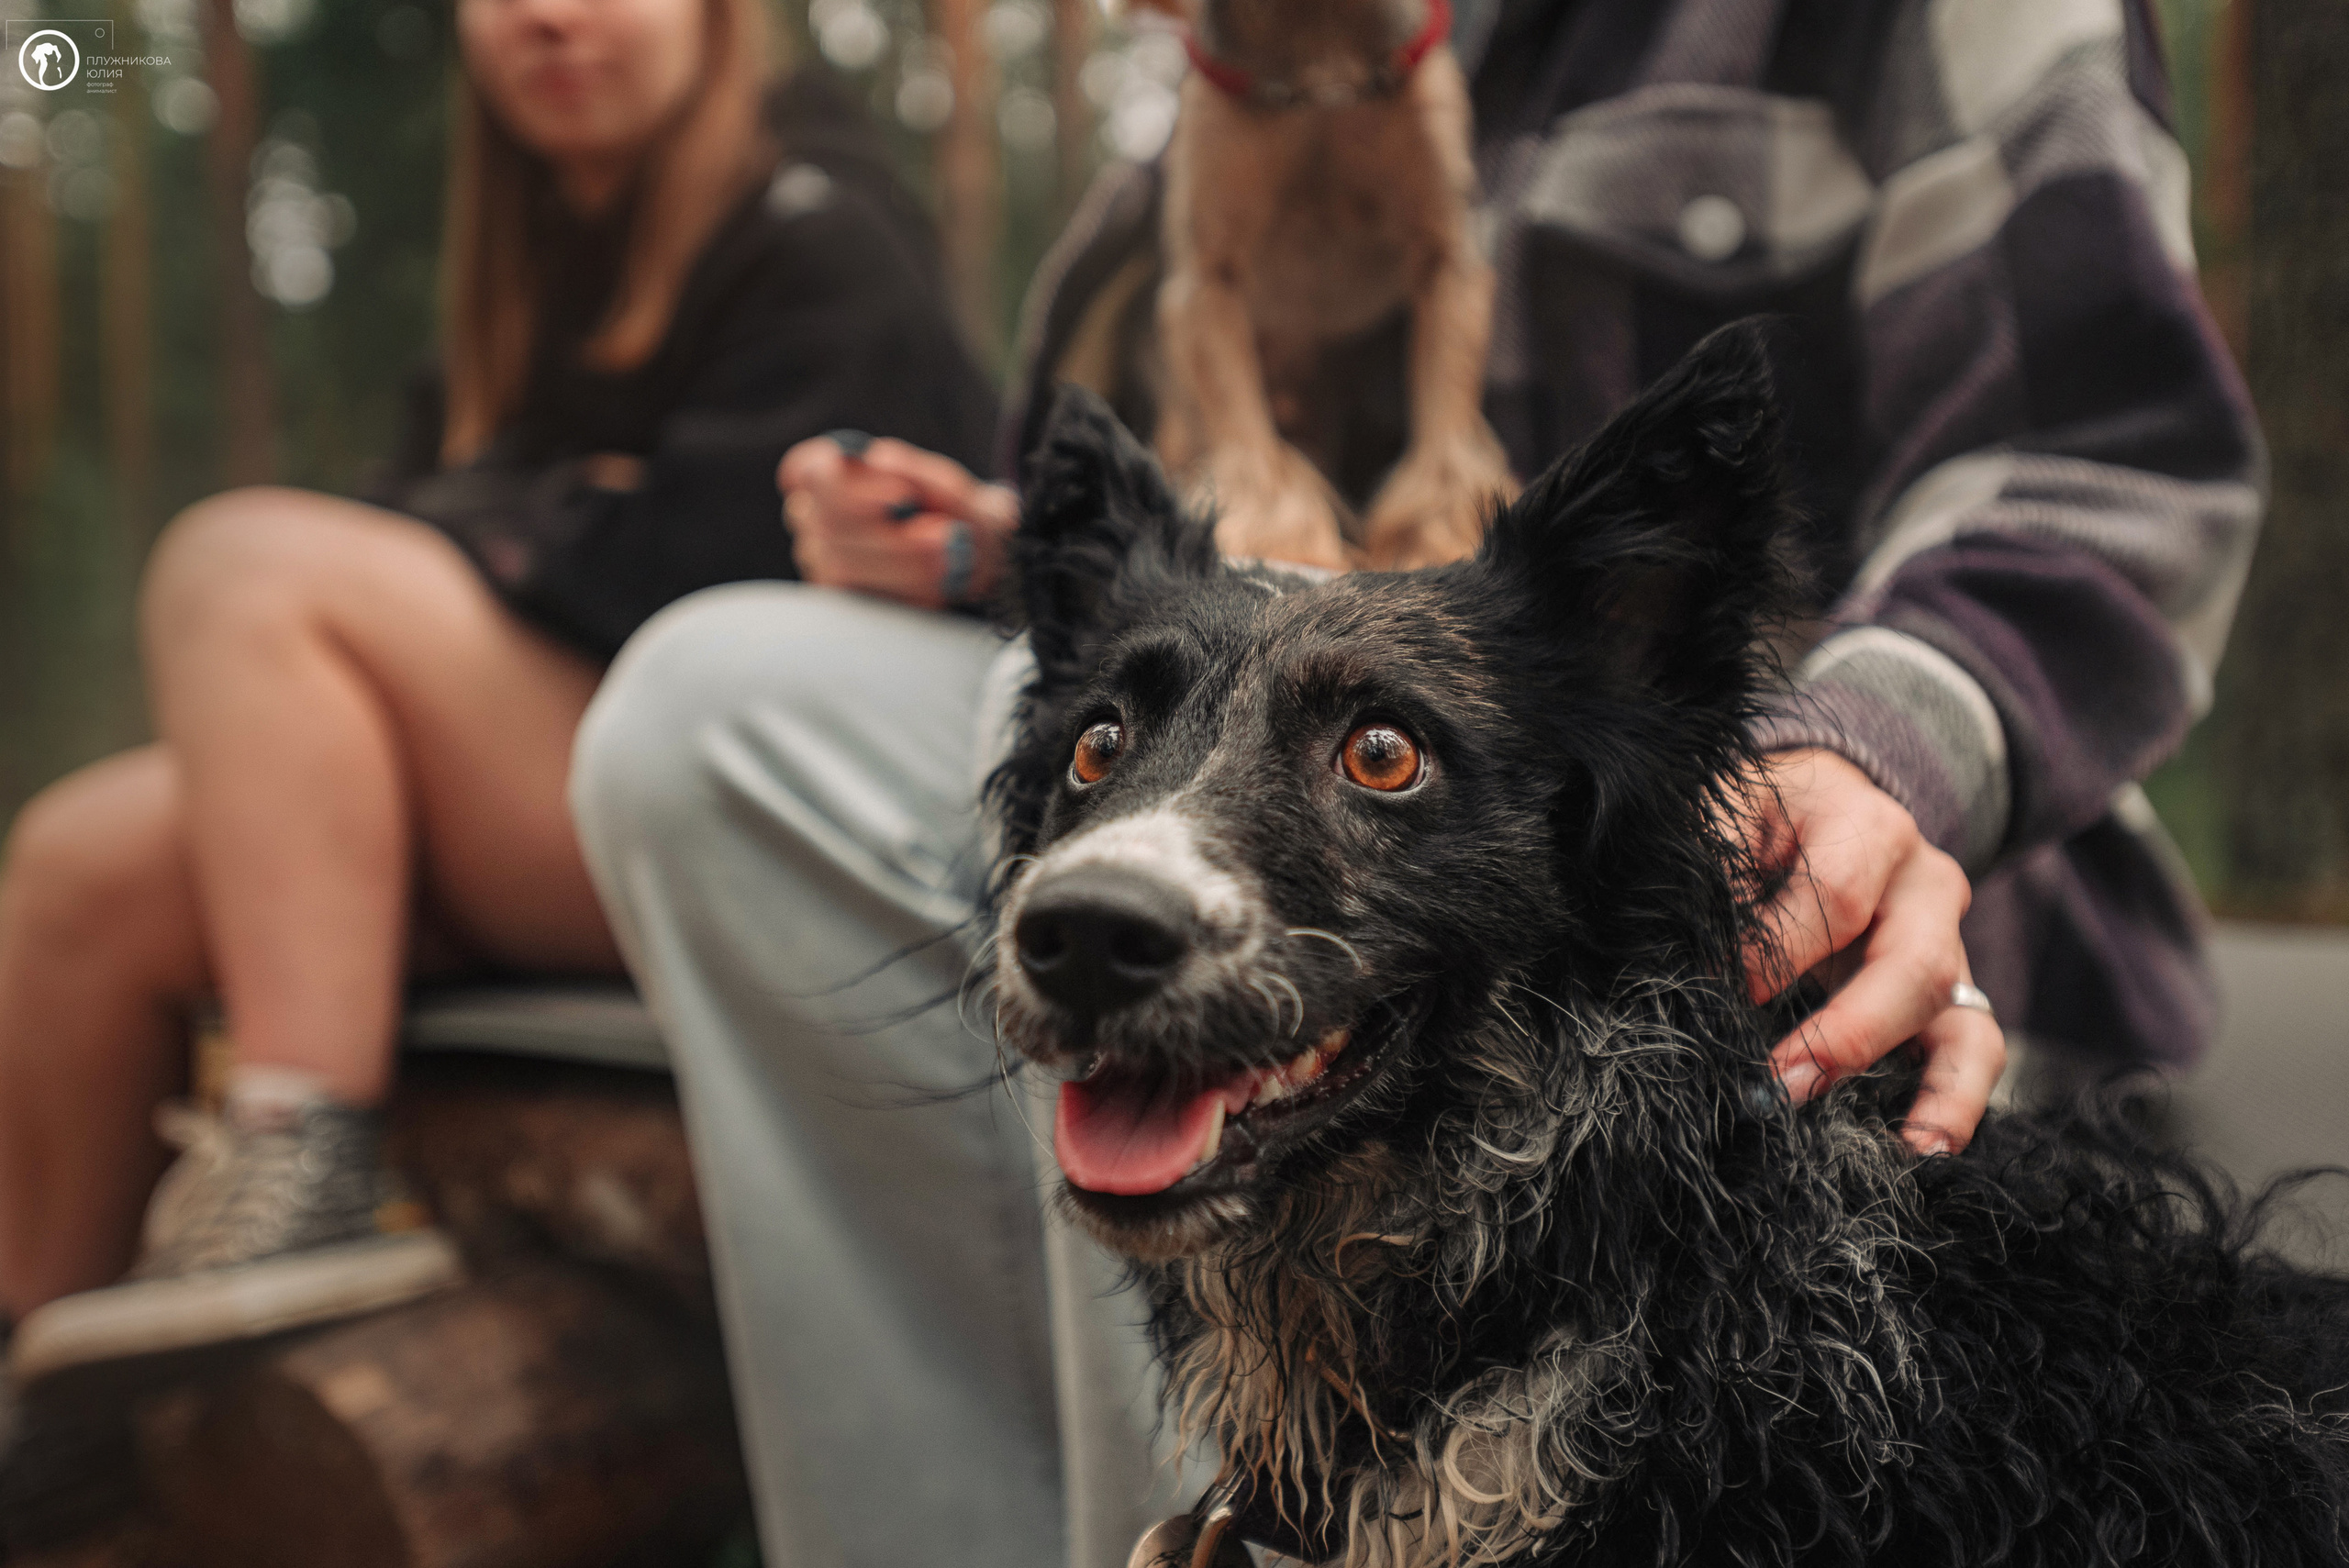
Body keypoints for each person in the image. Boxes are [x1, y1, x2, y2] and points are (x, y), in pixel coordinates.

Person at [574, 0, 2257, 1562]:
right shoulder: (1252, 50)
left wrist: (1874, 747)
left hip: (1798, 850)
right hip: (1321, 760)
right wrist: (995, 547)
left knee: (1073, 756)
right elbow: (1188, 559)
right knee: (714, 711)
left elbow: (2111, 463)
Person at [0, 0, 995, 1448]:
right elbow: (447, 537)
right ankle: (37, 1397)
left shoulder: (821, 230)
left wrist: (523, 521)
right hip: (550, 797)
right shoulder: (537, 274)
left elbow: (712, 572)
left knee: (242, 567)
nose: (549, 16)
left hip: (777, 830)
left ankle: (301, 1147)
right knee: (82, 861)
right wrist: (558, 507)